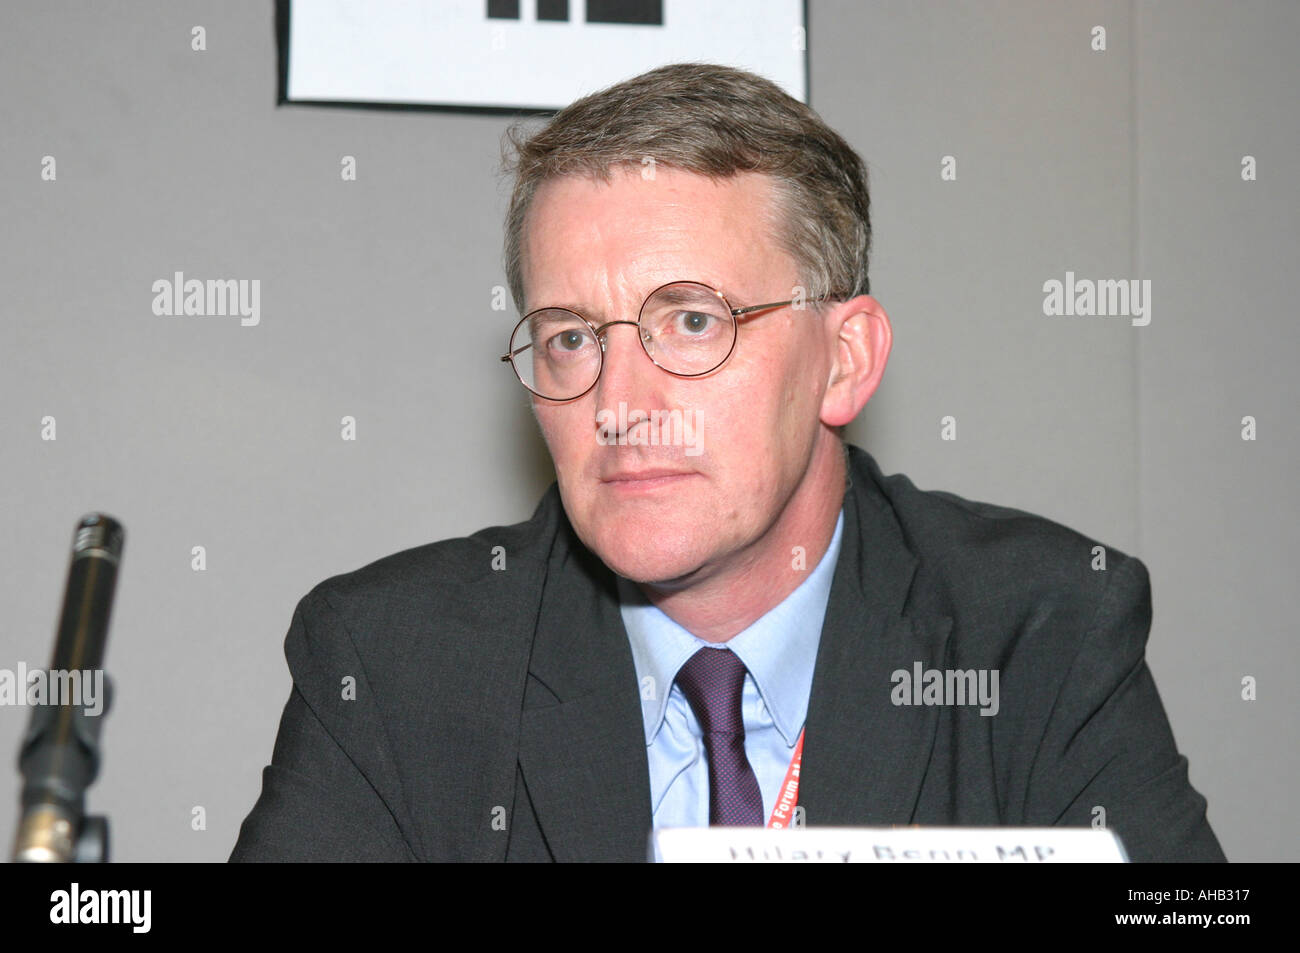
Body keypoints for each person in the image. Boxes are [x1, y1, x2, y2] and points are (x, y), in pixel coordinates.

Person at [229, 62, 1225, 862]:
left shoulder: (1035, 631)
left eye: (692, 320)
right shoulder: (395, 660)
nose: (619, 406)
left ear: (844, 360)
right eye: (573, 337)